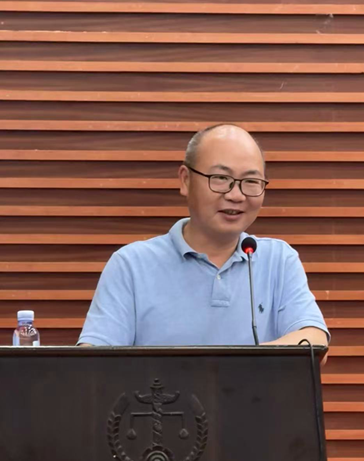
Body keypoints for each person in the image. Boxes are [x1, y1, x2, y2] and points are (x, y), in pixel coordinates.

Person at [78, 124, 329, 352]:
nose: (236, 195)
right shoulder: (131, 265)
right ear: (185, 180)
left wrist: (243, 365)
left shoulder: (278, 260)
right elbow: (93, 361)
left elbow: (314, 341)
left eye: (251, 181)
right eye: (221, 179)